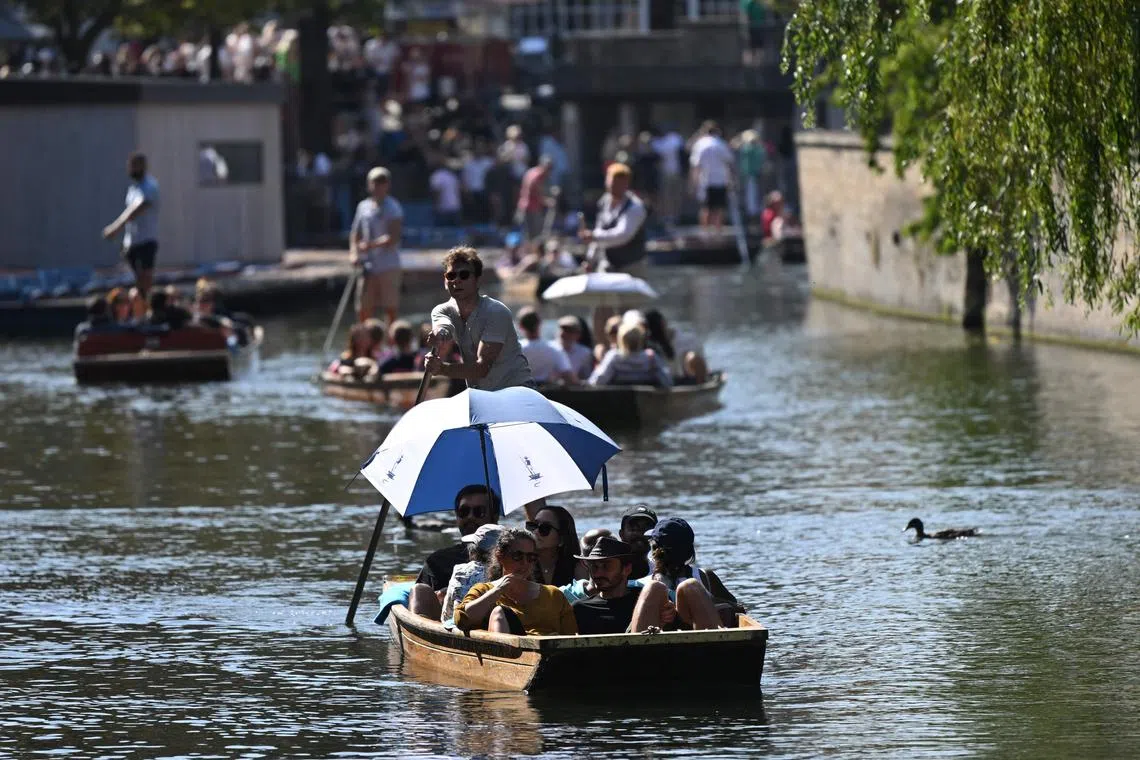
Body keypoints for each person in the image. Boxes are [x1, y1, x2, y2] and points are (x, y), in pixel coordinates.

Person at [426, 247, 533, 391]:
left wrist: (442, 369)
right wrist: (440, 334)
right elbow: (444, 326)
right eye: (451, 276)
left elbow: (482, 368)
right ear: (445, 281)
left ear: (477, 280)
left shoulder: (496, 312)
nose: (456, 280)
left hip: (517, 390)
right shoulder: (441, 310)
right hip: (483, 394)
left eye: (464, 275)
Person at [454, 528, 578, 636]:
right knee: (500, 612)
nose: (525, 563)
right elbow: (462, 619)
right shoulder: (484, 590)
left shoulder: (553, 594)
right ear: (500, 556)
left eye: (531, 557)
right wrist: (498, 590)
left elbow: (571, 636)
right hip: (511, 658)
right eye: (517, 556)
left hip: (551, 657)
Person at [580, 162, 649, 349]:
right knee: (600, 307)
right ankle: (600, 349)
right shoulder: (604, 202)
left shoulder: (636, 207)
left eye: (617, 184)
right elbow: (600, 230)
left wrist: (593, 236)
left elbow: (623, 235)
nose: (613, 188)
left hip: (631, 265)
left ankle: (631, 350)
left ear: (626, 184)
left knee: (629, 313)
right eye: (610, 183)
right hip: (608, 264)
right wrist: (590, 258)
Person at [634, 518, 744, 631]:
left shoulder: (642, 586)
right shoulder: (704, 577)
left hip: (652, 645)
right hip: (706, 642)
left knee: (687, 586)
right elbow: (739, 610)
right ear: (690, 552)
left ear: (654, 550)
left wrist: (688, 608)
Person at [409, 485, 499, 619]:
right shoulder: (438, 560)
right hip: (447, 627)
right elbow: (425, 600)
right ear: (457, 516)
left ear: (495, 516)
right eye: (464, 511)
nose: (470, 517)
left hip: (496, 620)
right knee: (418, 590)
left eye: (478, 511)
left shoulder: (512, 557)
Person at [350, 166, 404, 326]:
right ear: (369, 184)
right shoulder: (363, 207)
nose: (378, 186)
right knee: (363, 308)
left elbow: (393, 237)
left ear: (387, 185)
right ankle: (365, 343)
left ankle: (391, 345)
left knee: (390, 308)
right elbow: (355, 233)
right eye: (375, 182)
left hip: (388, 265)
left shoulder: (394, 207)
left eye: (382, 182)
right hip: (368, 266)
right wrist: (354, 253)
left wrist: (370, 245)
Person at [102, 151, 160, 297]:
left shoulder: (150, 186)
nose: (131, 169)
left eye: (134, 166)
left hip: (146, 240)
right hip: (133, 242)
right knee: (135, 280)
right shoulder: (133, 188)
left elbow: (137, 209)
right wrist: (126, 242)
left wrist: (116, 227)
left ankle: (146, 305)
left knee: (145, 279)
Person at [571, 536, 644, 635]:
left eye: (606, 566)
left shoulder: (643, 600)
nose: (597, 574)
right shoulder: (580, 609)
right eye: (594, 567)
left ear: (626, 569)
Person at [439, 523, 504, 623]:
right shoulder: (509, 571)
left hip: (457, 624)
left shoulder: (461, 570)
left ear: (473, 551)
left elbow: (447, 615)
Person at [589, 322, 672, 387]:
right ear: (640, 339)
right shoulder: (651, 357)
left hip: (617, 404)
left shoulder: (614, 357)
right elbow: (667, 382)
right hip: (646, 405)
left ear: (621, 339)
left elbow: (597, 381)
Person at [689, 121, 735, 233]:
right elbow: (729, 163)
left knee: (706, 208)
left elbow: (696, 166)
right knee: (719, 208)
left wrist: (693, 183)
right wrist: (732, 180)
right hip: (720, 180)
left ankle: (704, 232)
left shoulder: (700, 144)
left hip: (705, 181)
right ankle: (717, 231)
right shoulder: (721, 144)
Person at [526, 505, 586, 586]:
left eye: (545, 528)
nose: (536, 531)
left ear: (561, 539)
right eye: (533, 525)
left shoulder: (578, 568)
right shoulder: (521, 563)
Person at [644, 309, 708, 384]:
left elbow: (702, 366)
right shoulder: (647, 345)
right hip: (663, 383)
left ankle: (700, 388)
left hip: (688, 381)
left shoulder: (689, 340)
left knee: (692, 357)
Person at [517, 307, 576, 385]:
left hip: (522, 393)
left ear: (520, 326)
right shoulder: (555, 348)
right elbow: (569, 377)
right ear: (540, 323)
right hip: (547, 394)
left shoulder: (516, 349)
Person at [516, 156, 554, 253]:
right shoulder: (537, 175)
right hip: (531, 208)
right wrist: (546, 201)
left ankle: (530, 253)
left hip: (525, 206)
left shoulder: (531, 171)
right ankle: (531, 254)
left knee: (529, 234)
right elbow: (534, 191)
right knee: (534, 235)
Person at [618, 504, 658, 579]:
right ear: (621, 534)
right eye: (634, 529)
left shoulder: (661, 572)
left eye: (647, 529)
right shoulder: (609, 571)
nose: (640, 534)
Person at [556, 316, 595, 381]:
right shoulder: (551, 349)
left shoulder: (585, 352)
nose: (565, 334)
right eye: (563, 329)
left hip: (574, 389)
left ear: (578, 334)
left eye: (570, 331)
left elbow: (587, 377)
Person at [429, 160, 463, 227]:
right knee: (456, 233)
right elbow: (459, 190)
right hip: (455, 207)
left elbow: (437, 192)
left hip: (443, 209)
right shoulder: (452, 175)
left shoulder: (436, 176)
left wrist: (436, 206)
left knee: (443, 233)